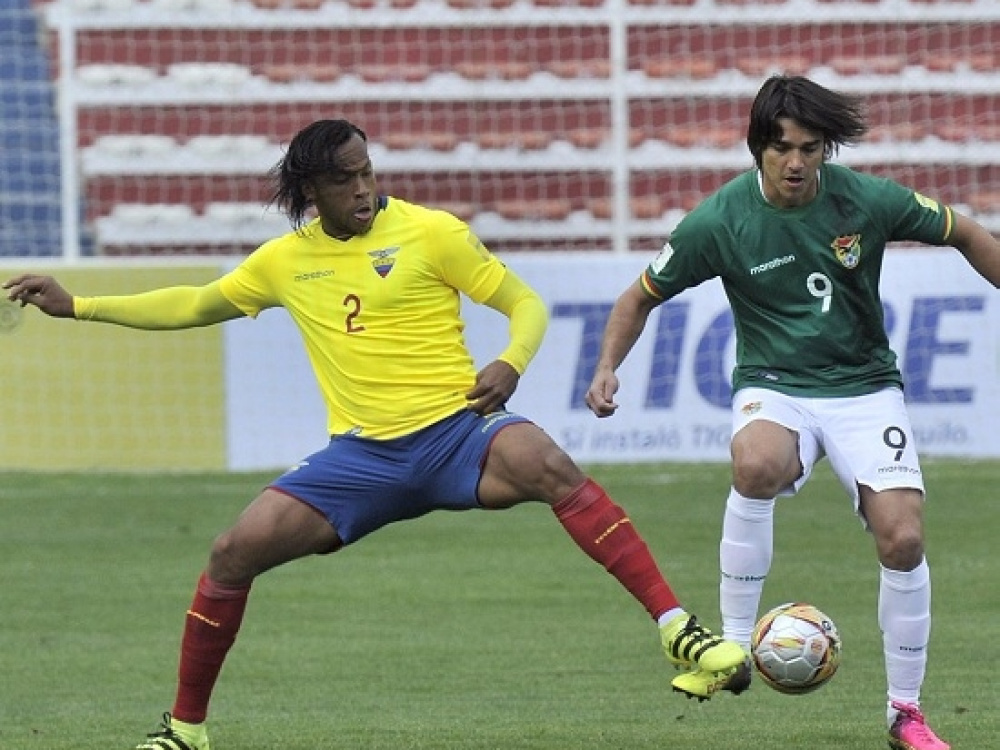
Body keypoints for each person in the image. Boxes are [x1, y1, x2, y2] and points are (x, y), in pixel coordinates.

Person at [5, 119, 747, 750]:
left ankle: (677, 628)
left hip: (458, 433)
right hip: (361, 459)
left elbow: (524, 303)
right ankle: (186, 730)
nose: (362, 190)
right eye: (344, 180)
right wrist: (81, 306)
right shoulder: (285, 262)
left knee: (548, 462)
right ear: (311, 191)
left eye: (367, 173)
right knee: (231, 552)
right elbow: (196, 304)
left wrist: (511, 363)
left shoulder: (431, 232)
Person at [585, 75, 1000, 750]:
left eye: (810, 148)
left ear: (826, 149)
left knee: (903, 539)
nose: (796, 162)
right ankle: (729, 650)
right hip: (774, 384)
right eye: (781, 148)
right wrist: (607, 366)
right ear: (759, 147)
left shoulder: (864, 200)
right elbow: (639, 297)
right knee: (756, 463)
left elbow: (965, 231)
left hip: (865, 386)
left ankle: (905, 714)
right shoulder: (721, 220)